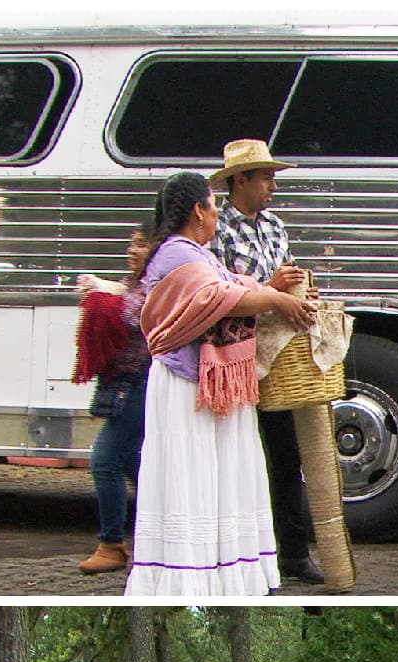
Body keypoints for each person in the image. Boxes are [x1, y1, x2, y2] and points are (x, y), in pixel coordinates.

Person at [125, 171, 315, 596]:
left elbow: (231, 289)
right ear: (199, 210)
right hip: (184, 383)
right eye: (211, 205)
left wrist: (268, 288)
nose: (215, 214)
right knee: (192, 473)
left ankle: (221, 569)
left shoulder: (195, 253)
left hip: (208, 383)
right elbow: (220, 299)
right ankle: (186, 574)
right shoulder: (178, 254)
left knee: (219, 473)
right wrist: (276, 298)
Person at [209, 138, 325, 586]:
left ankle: (293, 552)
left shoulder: (275, 225)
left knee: (284, 454)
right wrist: (271, 287)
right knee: (239, 453)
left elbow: (287, 273)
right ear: (241, 181)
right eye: (265, 177)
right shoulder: (216, 229)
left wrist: (300, 291)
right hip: (233, 357)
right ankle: (241, 550)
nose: (272, 185)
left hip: (275, 357)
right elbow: (219, 290)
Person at [72, 222, 153, 574]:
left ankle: (112, 544)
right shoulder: (137, 283)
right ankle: (155, 537)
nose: (131, 251)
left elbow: (136, 314)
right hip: (128, 381)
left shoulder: (158, 282)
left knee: (106, 460)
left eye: (140, 245)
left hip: (141, 380)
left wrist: (102, 293)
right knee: (135, 466)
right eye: (130, 244)